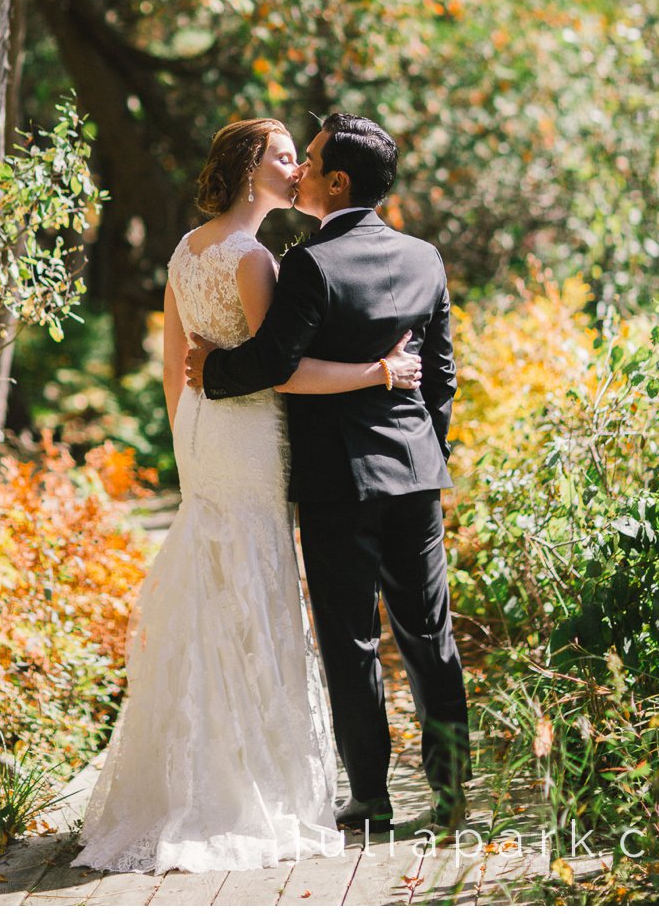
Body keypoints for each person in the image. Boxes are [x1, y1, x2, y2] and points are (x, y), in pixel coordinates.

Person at [74, 117, 425, 874]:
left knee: (212, 581)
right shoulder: (255, 260)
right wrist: (378, 373)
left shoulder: (187, 248)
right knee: (257, 585)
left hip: (202, 435)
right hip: (250, 435)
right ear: (248, 167)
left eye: (302, 155)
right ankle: (247, 782)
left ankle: (190, 774)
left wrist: (184, 444)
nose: (298, 165)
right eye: (283, 155)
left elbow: (176, 362)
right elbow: (280, 370)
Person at [188, 112, 468, 835]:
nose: (301, 171)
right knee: (429, 635)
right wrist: (417, 446)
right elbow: (441, 379)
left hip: (335, 482)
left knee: (351, 641)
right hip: (412, 474)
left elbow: (274, 361)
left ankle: (371, 797)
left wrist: (212, 368)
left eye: (309, 161)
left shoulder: (310, 262)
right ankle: (452, 794)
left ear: (337, 180)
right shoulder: (424, 257)